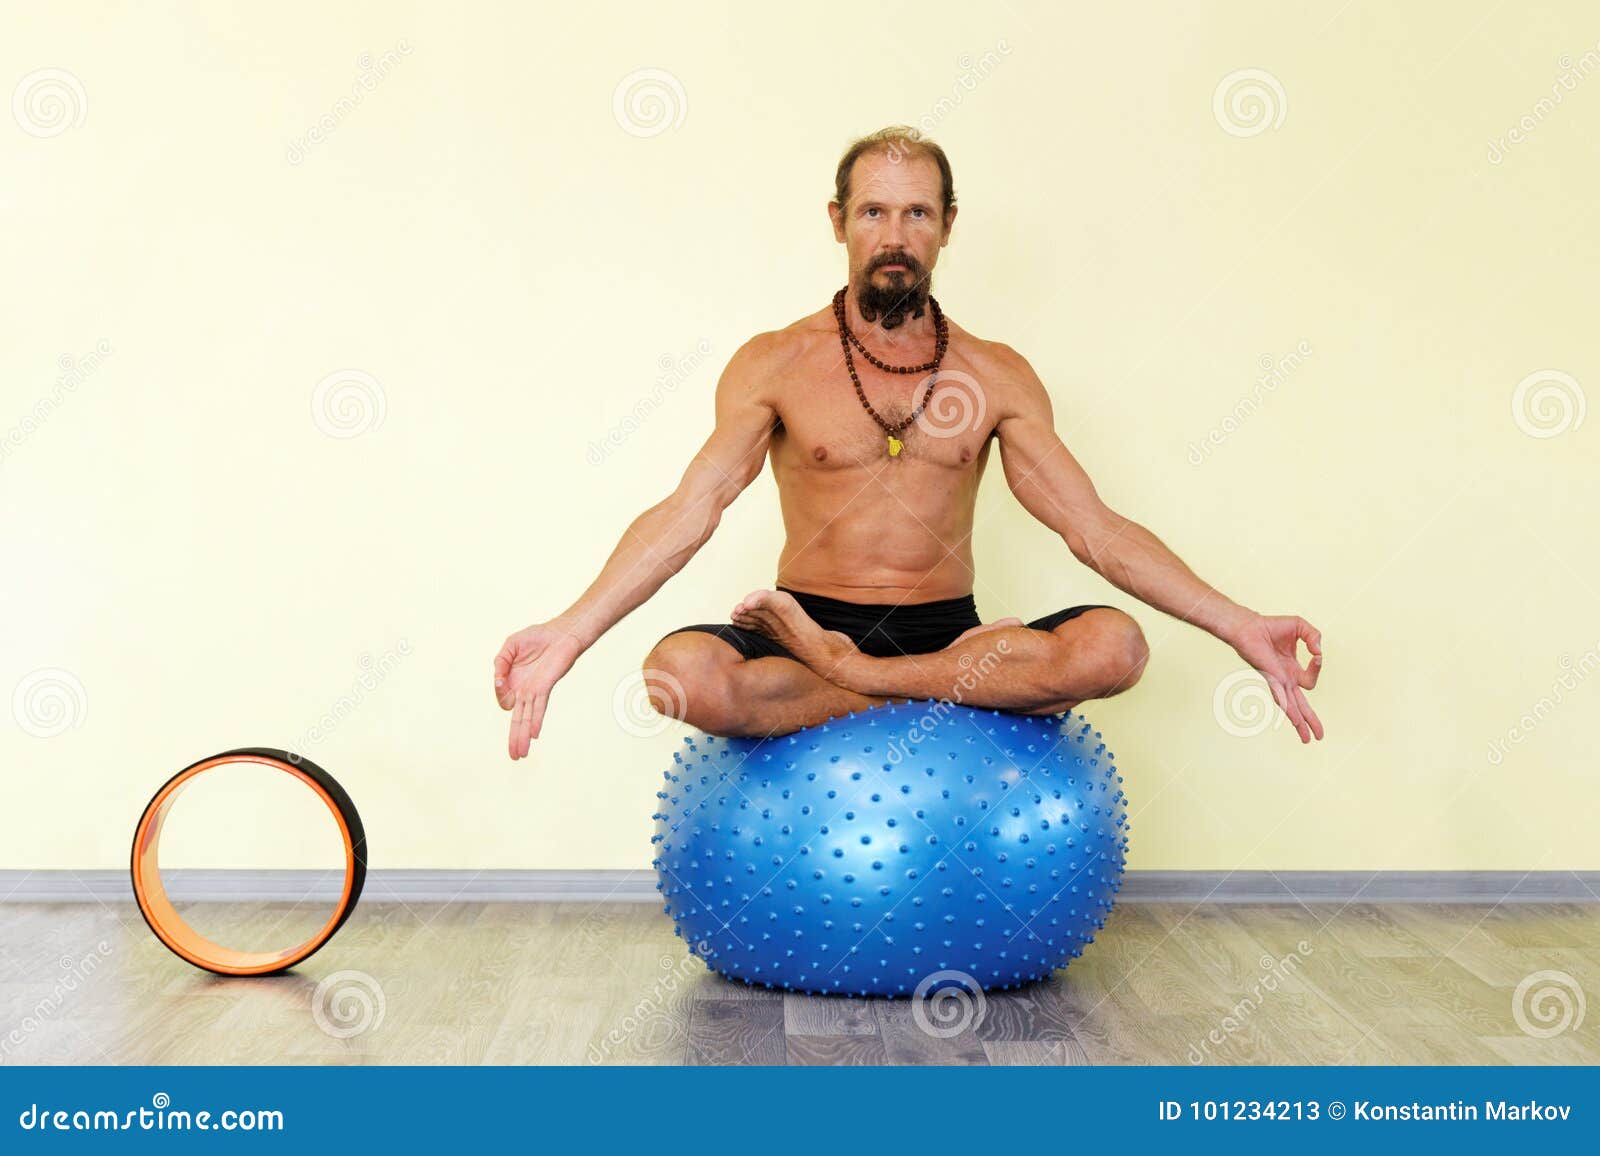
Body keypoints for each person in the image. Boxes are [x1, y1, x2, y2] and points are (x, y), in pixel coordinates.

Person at [494, 126, 1323, 758]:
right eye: (874, 212)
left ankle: (864, 679)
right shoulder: (775, 363)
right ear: (839, 222)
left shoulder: (997, 374)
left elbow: (1093, 529)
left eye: (917, 212)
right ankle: (933, 686)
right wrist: (570, 632)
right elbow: (690, 508)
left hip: (947, 631)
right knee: (679, 680)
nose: (895, 234)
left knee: (1116, 647)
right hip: (806, 630)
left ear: (948, 225)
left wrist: (1239, 622)